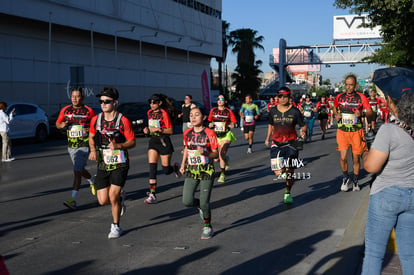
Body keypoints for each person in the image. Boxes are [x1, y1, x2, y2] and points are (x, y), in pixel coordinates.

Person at [361, 85, 414, 274]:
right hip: (412, 196)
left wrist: (367, 150)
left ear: (392, 103)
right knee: (409, 256)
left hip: (387, 195)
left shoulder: (389, 130)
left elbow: (371, 166)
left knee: (374, 255)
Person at [88, 87, 136, 238]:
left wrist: (119, 146)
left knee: (112, 196)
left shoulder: (123, 120)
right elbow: (90, 136)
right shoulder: (96, 119)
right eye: (101, 101)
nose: (103, 104)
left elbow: (132, 142)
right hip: (103, 162)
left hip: (120, 162)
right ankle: (120, 198)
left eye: (107, 101)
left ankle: (115, 226)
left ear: (115, 102)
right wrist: (93, 150)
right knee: (103, 201)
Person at [180, 107, 219, 239]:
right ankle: (200, 207)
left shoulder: (209, 133)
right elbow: (186, 148)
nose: (193, 117)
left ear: (203, 117)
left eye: (197, 115)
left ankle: (207, 226)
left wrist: (206, 153)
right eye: (191, 115)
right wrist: (182, 164)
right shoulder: (186, 133)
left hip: (206, 171)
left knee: (204, 201)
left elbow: (216, 153)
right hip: (192, 170)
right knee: (187, 200)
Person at [56, 88, 97, 210]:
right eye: (73, 96)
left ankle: (73, 199)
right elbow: (58, 124)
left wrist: (89, 130)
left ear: (82, 98)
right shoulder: (65, 110)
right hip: (71, 146)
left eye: (77, 96)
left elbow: (97, 127)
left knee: (77, 171)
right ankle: (92, 180)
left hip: (84, 145)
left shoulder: (89, 111)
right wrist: (62, 125)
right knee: (79, 169)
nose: (74, 98)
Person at [265, 87, 307, 204]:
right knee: (278, 172)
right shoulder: (273, 111)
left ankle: (287, 192)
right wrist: (268, 138)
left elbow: (303, 126)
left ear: (289, 98)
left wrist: (303, 133)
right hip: (276, 143)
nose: (282, 98)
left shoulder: (295, 111)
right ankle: (282, 171)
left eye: (284, 96)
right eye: (280, 96)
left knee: (290, 171)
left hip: (292, 143)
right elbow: (270, 125)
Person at [332, 74, 373, 192]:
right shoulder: (339, 97)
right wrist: (336, 114)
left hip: (356, 132)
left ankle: (355, 180)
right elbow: (334, 107)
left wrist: (363, 114)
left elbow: (370, 112)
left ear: (355, 85)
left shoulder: (361, 97)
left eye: (351, 85)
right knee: (343, 157)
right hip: (342, 131)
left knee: (356, 159)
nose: (348, 87)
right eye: (346, 85)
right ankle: (345, 178)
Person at [143, 93, 181, 204]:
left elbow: (170, 131)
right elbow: (150, 128)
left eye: (154, 102)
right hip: (153, 142)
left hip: (164, 142)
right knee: (152, 168)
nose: (151, 104)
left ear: (159, 103)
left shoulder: (163, 113)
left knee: (166, 170)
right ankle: (152, 194)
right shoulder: (149, 113)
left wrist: (159, 130)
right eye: (150, 102)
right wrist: (147, 130)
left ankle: (174, 168)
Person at [207, 95, 237, 183]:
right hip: (216, 135)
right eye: (218, 99)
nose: (219, 101)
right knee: (216, 158)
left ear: (225, 101)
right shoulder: (213, 111)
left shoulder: (228, 112)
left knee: (221, 154)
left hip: (226, 135)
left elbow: (234, 123)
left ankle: (222, 174)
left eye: (222, 99)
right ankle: (226, 159)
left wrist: (232, 125)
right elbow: (209, 122)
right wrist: (210, 125)